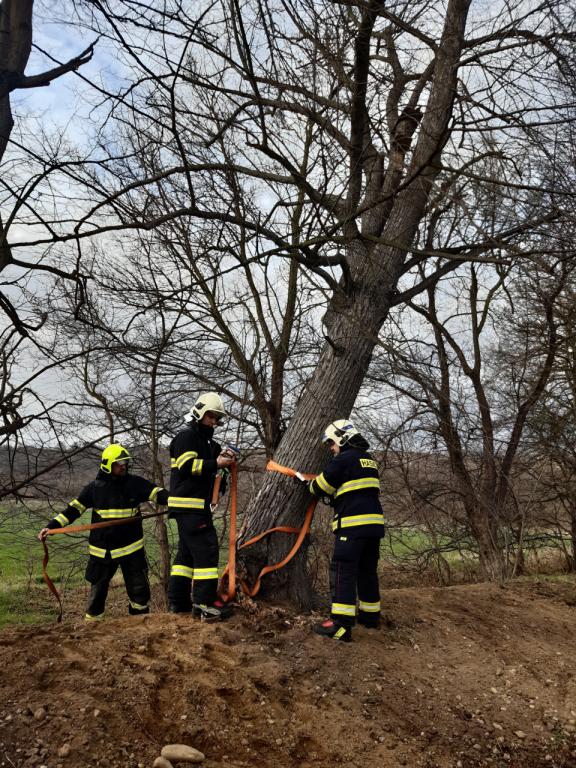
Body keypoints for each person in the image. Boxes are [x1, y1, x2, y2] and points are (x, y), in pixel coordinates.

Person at [38, 444, 169, 621]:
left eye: (125, 463)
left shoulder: (135, 484)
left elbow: (158, 493)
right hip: (102, 553)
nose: (123, 466)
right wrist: (51, 527)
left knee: (140, 594)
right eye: (118, 463)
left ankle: (139, 625)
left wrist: (177, 500)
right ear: (107, 465)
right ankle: (92, 630)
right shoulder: (94, 488)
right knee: (97, 596)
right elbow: (73, 510)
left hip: (132, 551)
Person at [307, 419, 385, 643]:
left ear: (342, 437)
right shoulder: (368, 460)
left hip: (352, 525)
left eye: (332, 443)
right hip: (373, 526)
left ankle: (340, 626)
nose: (331, 448)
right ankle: (370, 617)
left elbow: (319, 486)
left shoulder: (344, 458)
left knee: (343, 570)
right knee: (367, 571)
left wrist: (308, 484)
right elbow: (352, 489)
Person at [167, 392, 235, 620]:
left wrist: (225, 457)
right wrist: (215, 462)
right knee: (206, 550)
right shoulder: (187, 437)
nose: (214, 422)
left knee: (185, 557)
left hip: (191, 507)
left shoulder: (206, 442)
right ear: (199, 413)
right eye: (211, 417)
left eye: (217, 419)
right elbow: (187, 466)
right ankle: (205, 604)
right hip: (191, 506)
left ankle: (179, 603)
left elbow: (215, 460)